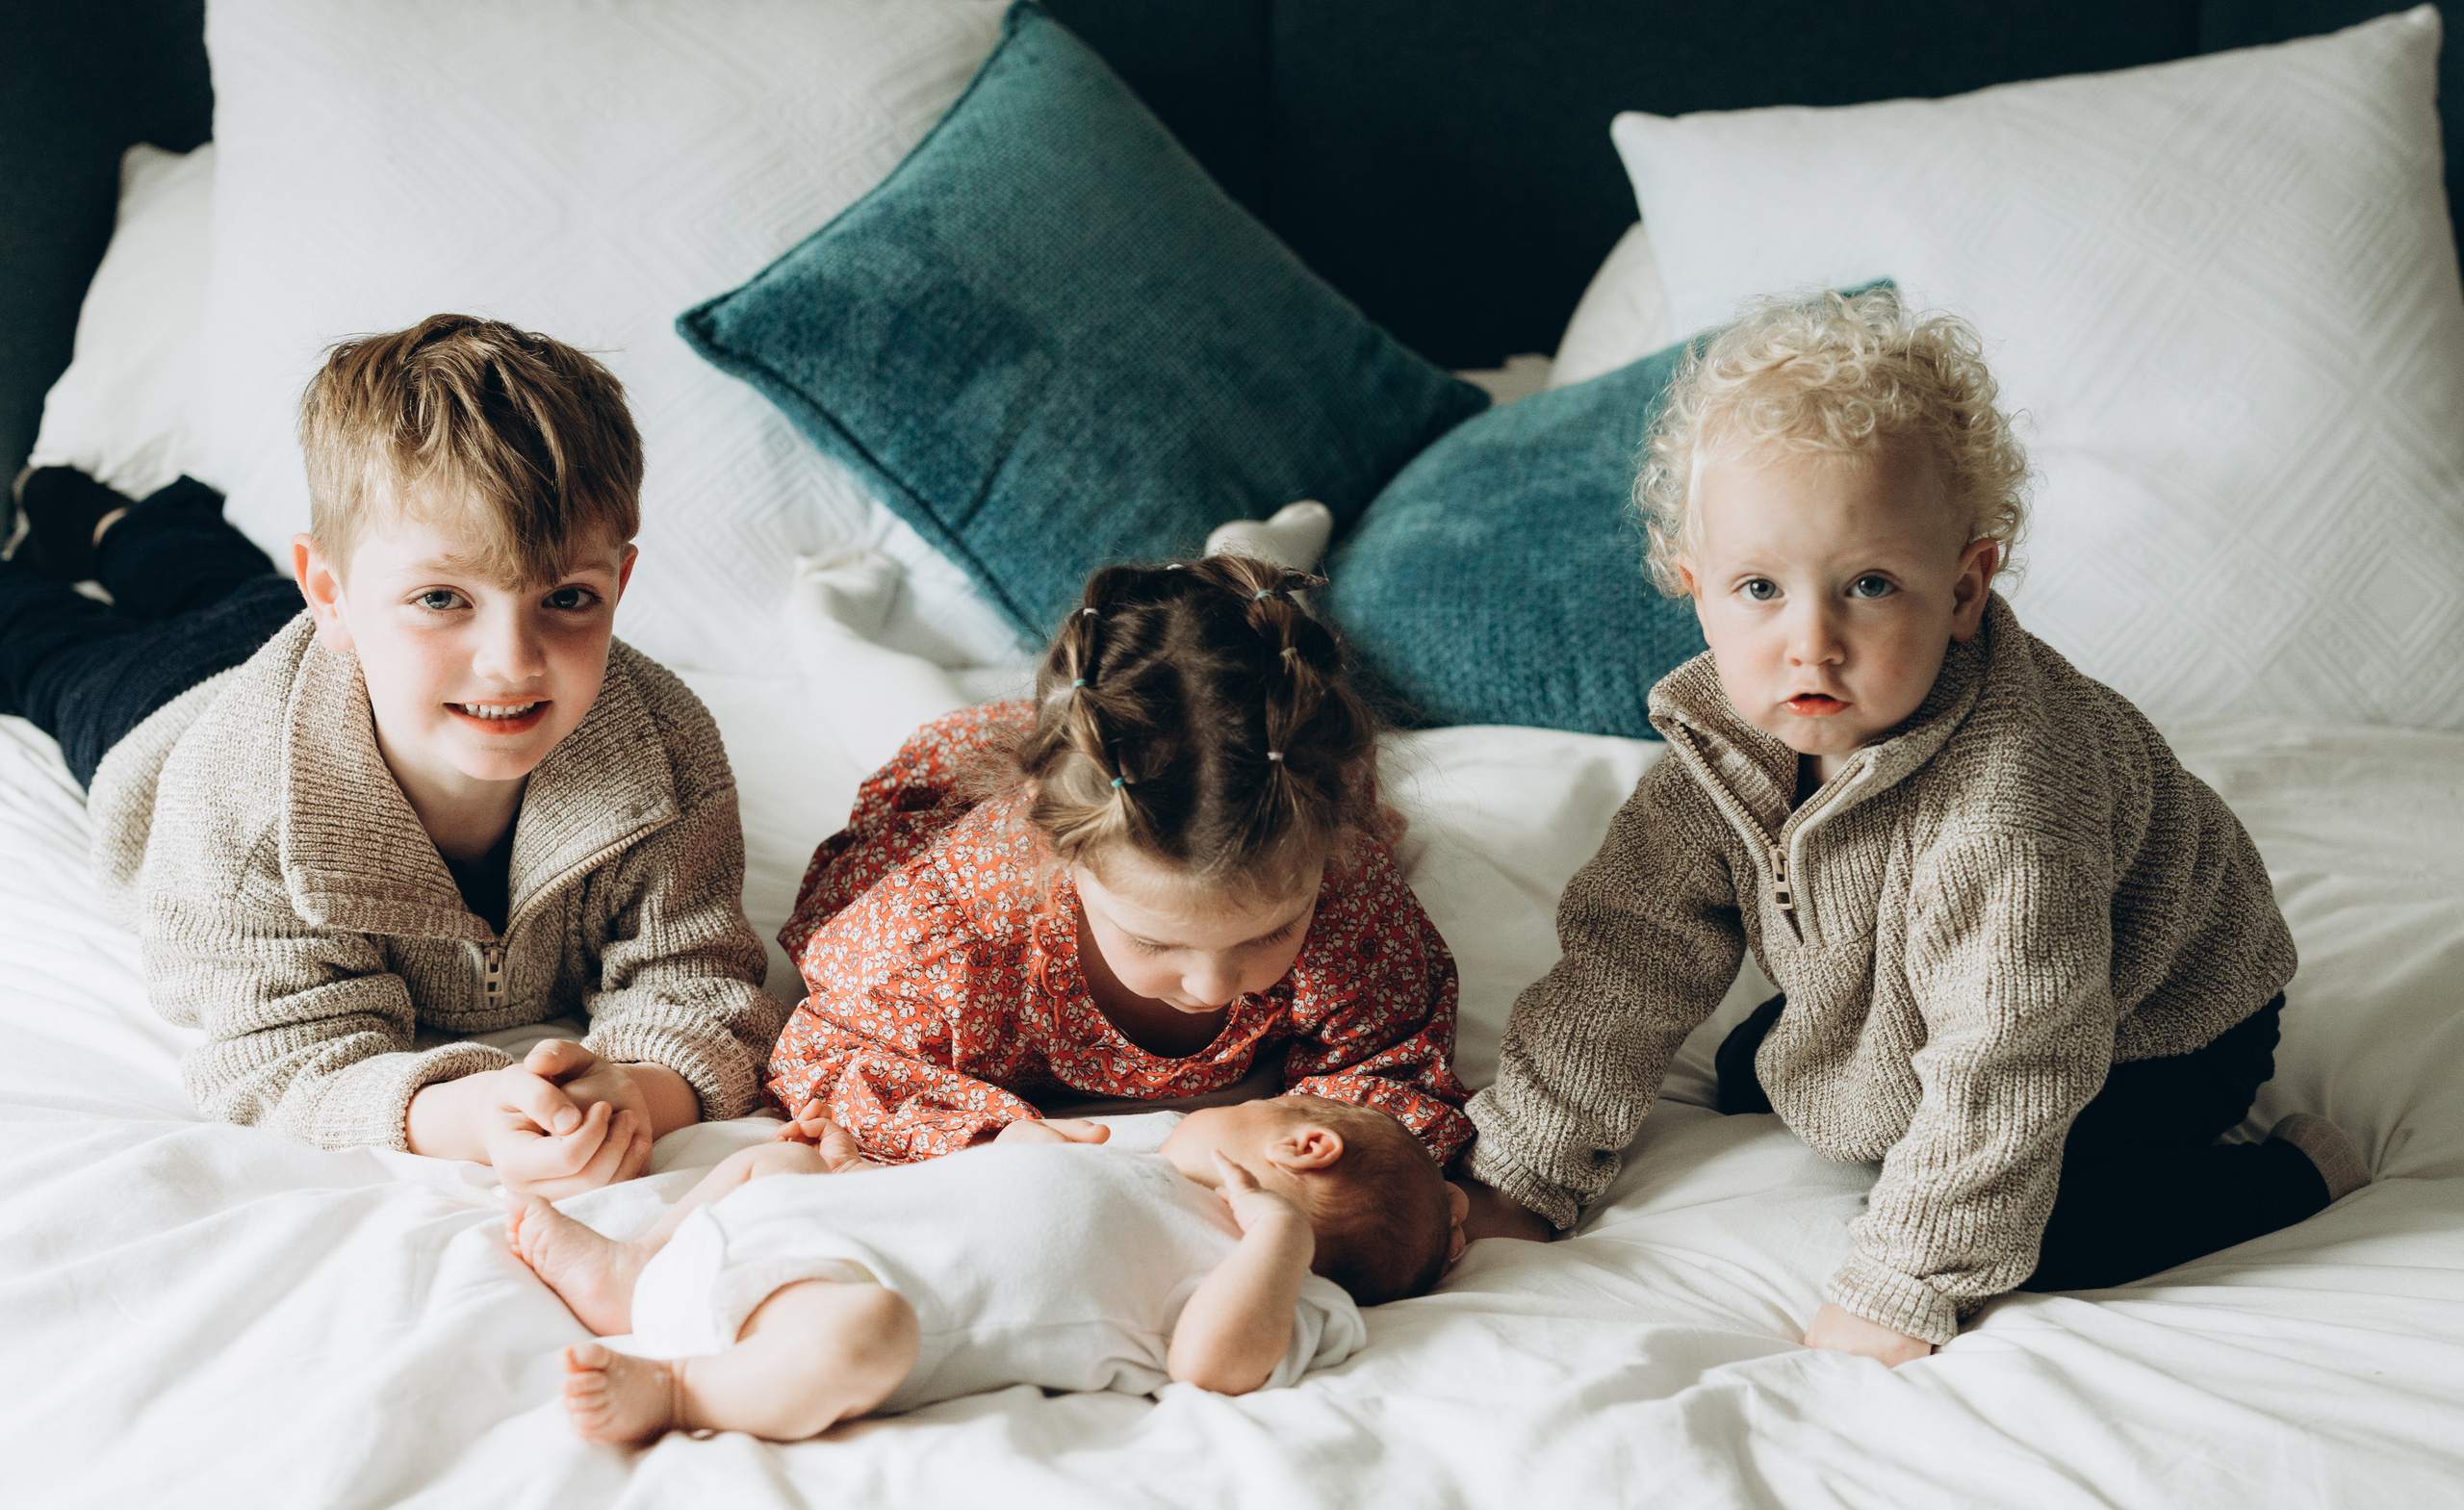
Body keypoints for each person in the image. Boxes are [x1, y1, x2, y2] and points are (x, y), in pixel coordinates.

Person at [1463, 287, 2370, 1365]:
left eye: (1871, 586)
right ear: (1693, 588)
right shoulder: (1724, 747)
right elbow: (1630, 952)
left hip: (2154, 1025)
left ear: (1964, 588)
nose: (1811, 642)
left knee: (2038, 1233)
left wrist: (1905, 1283)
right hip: (1916, 986)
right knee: (1767, 1073)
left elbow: (2013, 1052)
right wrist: (1523, 1169)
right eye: (1759, 587)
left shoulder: (2010, 810)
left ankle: (2291, 1177)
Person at [0, 314, 785, 1197]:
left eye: (567, 596)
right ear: (331, 596)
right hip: (166, 707)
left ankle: (107, 519)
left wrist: (639, 1091)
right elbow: (279, 1062)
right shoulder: (238, 806)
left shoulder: (667, 751)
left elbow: (702, 980)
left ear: (620, 583)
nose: (514, 660)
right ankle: (57, 529)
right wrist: (467, 1115)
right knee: (47, 647)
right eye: (444, 596)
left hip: (337, 650)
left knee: (224, 581)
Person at [764, 552, 1476, 1169]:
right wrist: (987, 1140)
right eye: (1153, 940)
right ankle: (828, 622)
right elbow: (826, 1054)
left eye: (1267, 934)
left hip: (1221, 755)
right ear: (1056, 850)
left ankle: (1238, 580)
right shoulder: (951, 928)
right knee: (898, 702)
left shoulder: (1338, 887)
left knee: (1220, 686)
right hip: (1008, 775)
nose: (1213, 982)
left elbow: (1396, 1063)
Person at [508, 1093, 1469, 1443]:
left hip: (814, 1316)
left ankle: (678, 1390)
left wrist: (1279, 1243)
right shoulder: (1136, 1163)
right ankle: (635, 1272)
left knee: (868, 1333)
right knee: (775, 1155)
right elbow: (972, 1201)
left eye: (1275, 1101)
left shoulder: (1264, 1276)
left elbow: (1213, 1365)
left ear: (1305, 1147)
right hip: (801, 1230)